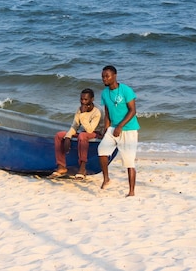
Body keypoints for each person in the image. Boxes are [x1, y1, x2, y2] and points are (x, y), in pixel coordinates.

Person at [98, 65, 140, 197]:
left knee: (129, 161)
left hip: (128, 129)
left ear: (114, 76)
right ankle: (106, 178)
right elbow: (107, 112)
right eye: (103, 76)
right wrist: (106, 129)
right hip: (113, 127)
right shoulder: (105, 93)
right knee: (102, 150)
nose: (104, 79)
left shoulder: (126, 90)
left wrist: (120, 126)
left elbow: (133, 110)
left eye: (107, 76)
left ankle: (131, 191)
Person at [48, 88, 102, 180]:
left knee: (83, 136)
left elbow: (90, 130)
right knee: (59, 135)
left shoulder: (97, 112)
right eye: (81, 99)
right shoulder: (79, 109)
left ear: (92, 99)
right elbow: (75, 126)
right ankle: (61, 167)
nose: (83, 102)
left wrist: (83, 114)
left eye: (86, 99)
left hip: (96, 133)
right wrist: (68, 137)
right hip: (84, 131)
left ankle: (82, 168)